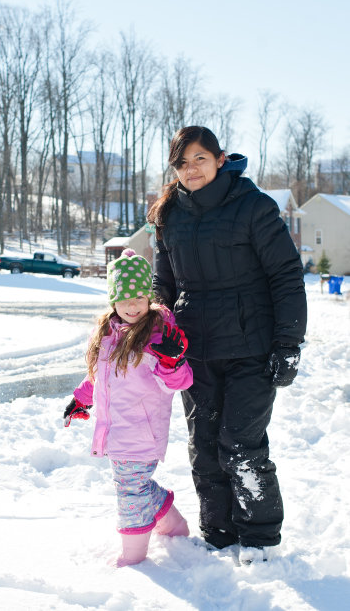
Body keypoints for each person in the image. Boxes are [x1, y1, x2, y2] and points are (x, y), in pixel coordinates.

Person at [147, 126, 307, 565]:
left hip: (251, 349)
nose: (191, 169)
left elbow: (286, 276)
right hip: (194, 352)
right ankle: (218, 535)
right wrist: (158, 335)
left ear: (220, 159)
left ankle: (258, 541)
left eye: (199, 158)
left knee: (240, 443)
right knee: (204, 448)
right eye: (181, 163)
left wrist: (288, 343)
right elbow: (164, 284)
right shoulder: (168, 215)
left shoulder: (253, 206)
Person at [63, 248, 193, 567]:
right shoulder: (108, 334)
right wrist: (82, 398)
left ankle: (133, 556)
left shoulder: (158, 334)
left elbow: (181, 381)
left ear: (148, 298)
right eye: (125, 299)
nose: (133, 306)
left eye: (139, 298)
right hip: (116, 429)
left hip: (141, 431)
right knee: (134, 484)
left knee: (130, 492)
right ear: (113, 301)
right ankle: (173, 526)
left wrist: (171, 360)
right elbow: (100, 377)